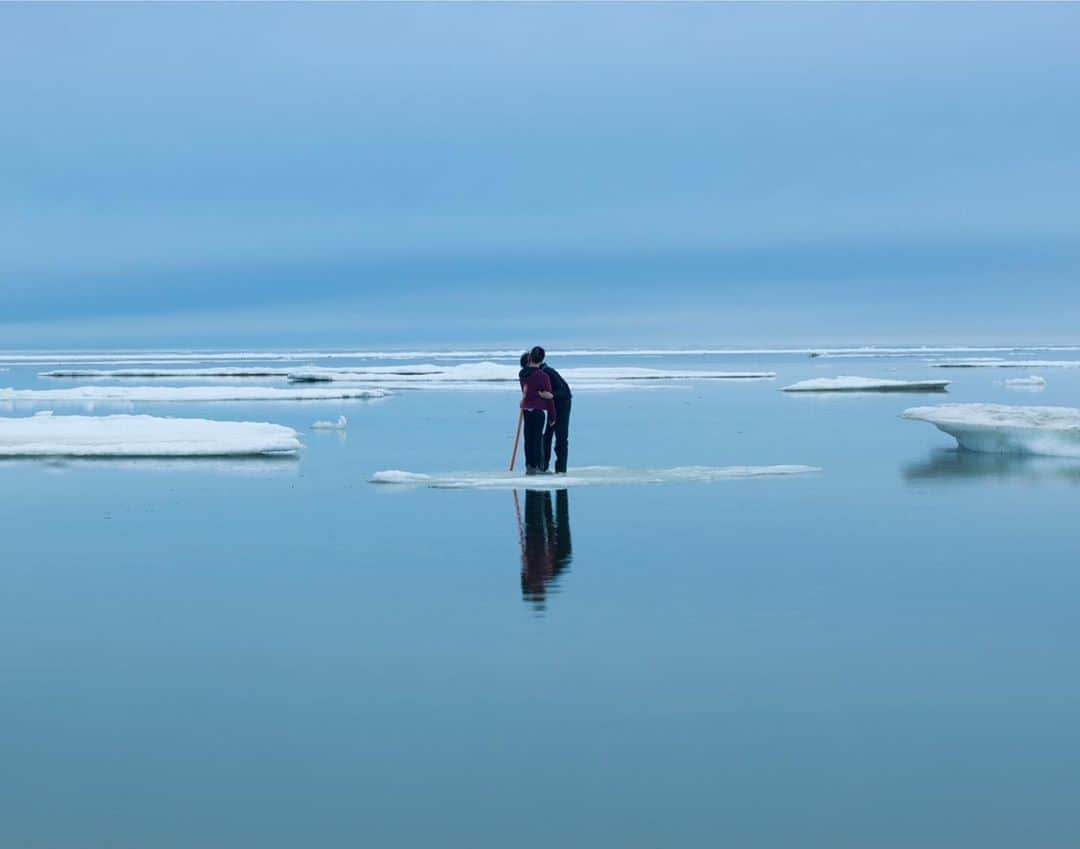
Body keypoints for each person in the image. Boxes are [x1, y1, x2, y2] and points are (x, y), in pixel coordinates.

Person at [529, 346, 573, 474]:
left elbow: (565, 391)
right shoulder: (533, 373)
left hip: (562, 405)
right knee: (546, 436)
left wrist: (551, 395)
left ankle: (561, 469)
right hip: (548, 408)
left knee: (561, 437)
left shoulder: (548, 372)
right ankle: (543, 466)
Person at [518, 350, 556, 475]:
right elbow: (548, 396)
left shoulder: (522, 374)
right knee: (537, 438)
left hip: (527, 409)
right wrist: (552, 415)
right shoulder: (542, 375)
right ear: (542, 359)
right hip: (538, 409)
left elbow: (528, 391)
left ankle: (529, 465)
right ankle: (537, 467)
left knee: (528, 438)